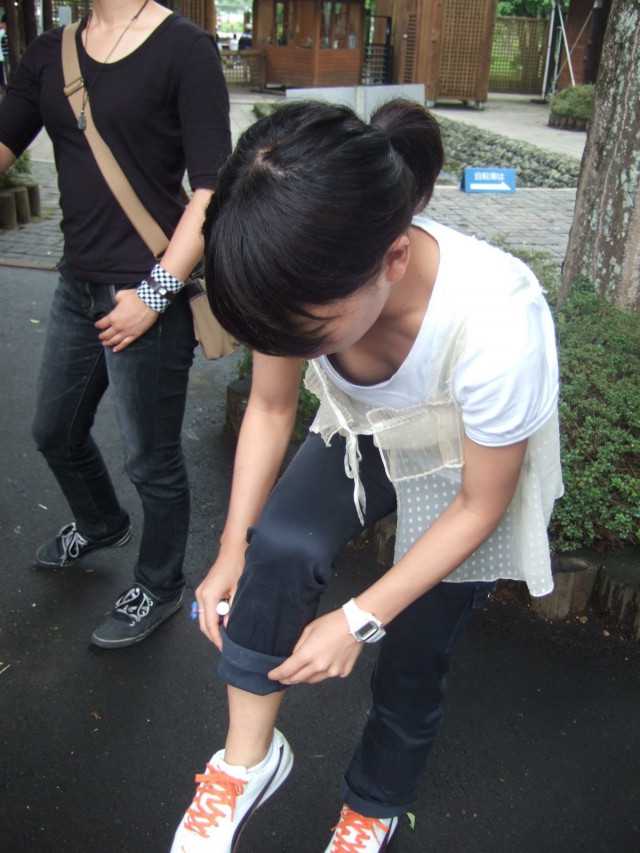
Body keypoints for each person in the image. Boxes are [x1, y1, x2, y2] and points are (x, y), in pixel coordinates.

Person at [170, 99, 563, 851]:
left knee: (415, 641)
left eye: (306, 334)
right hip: (370, 430)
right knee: (276, 546)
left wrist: (359, 617)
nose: (290, 346)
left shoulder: (499, 323)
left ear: (394, 260)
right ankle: (247, 762)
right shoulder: (295, 270)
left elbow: (482, 503)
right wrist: (230, 549)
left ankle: (374, 802)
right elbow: (271, 406)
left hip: (466, 460)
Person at [0, 0, 230, 647]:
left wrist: (155, 294)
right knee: (55, 430)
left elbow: (214, 189)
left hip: (148, 291)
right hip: (76, 284)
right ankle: (101, 522)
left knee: (151, 460)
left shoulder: (185, 49)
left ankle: (159, 584)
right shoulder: (51, 51)